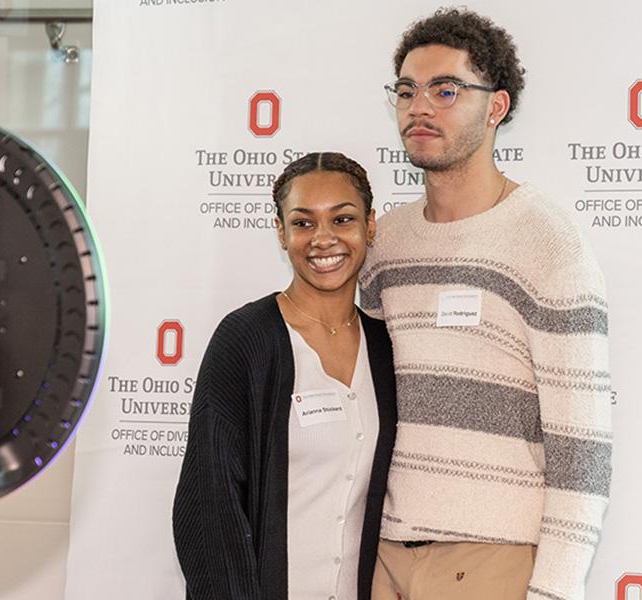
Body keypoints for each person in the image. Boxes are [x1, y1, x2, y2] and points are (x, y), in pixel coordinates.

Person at [361, 8, 612, 600]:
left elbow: (584, 446)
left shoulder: (547, 241)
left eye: (446, 90)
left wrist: (554, 588)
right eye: (407, 90)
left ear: (495, 107)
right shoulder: (386, 244)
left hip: (493, 560)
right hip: (385, 552)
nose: (419, 107)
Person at [173, 152, 398, 600]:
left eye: (343, 219)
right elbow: (206, 507)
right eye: (303, 223)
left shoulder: (386, 344)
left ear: (370, 226)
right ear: (281, 232)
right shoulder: (246, 340)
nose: (324, 239)